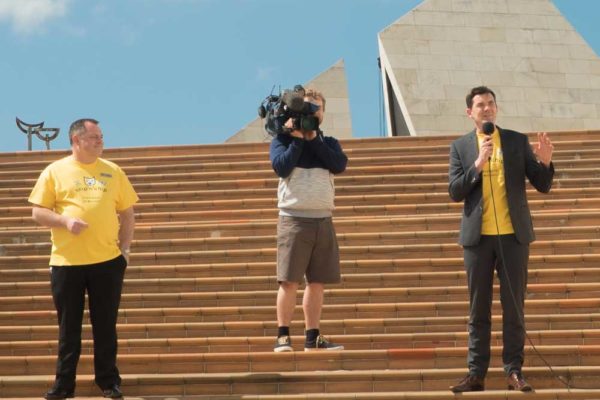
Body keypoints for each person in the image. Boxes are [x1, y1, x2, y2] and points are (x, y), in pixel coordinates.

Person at [447, 86, 554, 392]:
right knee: (477, 309)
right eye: (480, 105)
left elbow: (542, 185)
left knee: (513, 307)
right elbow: (455, 191)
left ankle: (514, 371)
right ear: (470, 112)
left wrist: (545, 163)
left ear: (497, 108)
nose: (487, 109)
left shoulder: (517, 141)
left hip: (512, 237)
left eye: (491, 103)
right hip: (477, 240)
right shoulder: (461, 147)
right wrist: (478, 164)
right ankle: (476, 373)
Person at [29, 119, 139, 400]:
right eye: (94, 137)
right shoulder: (55, 171)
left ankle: (109, 382)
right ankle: (64, 384)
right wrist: (64, 221)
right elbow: (38, 213)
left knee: (105, 326)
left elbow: (127, 213)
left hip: (107, 262)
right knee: (69, 328)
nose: (101, 141)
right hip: (66, 263)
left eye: (101, 136)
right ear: (76, 140)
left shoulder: (113, 171)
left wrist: (124, 251)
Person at [269, 88, 348, 352]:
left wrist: (313, 139)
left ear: (324, 113)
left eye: (317, 109)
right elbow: (280, 167)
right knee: (289, 281)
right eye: (307, 109)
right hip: (293, 219)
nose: (312, 114)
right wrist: (297, 139)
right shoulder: (282, 139)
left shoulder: (328, 143)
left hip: (323, 219)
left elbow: (338, 164)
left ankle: (313, 337)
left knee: (317, 282)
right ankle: (283, 336)